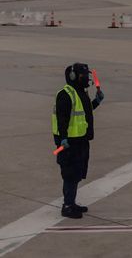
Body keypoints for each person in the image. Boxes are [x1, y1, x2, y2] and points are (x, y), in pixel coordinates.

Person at [52, 62, 104, 219]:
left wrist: (96, 102)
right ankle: (67, 206)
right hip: (69, 144)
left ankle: (71, 202)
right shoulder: (66, 94)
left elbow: (84, 112)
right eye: (83, 76)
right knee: (70, 175)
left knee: (77, 174)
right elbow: (62, 119)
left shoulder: (80, 92)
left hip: (81, 141)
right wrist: (62, 139)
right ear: (74, 76)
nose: (87, 79)